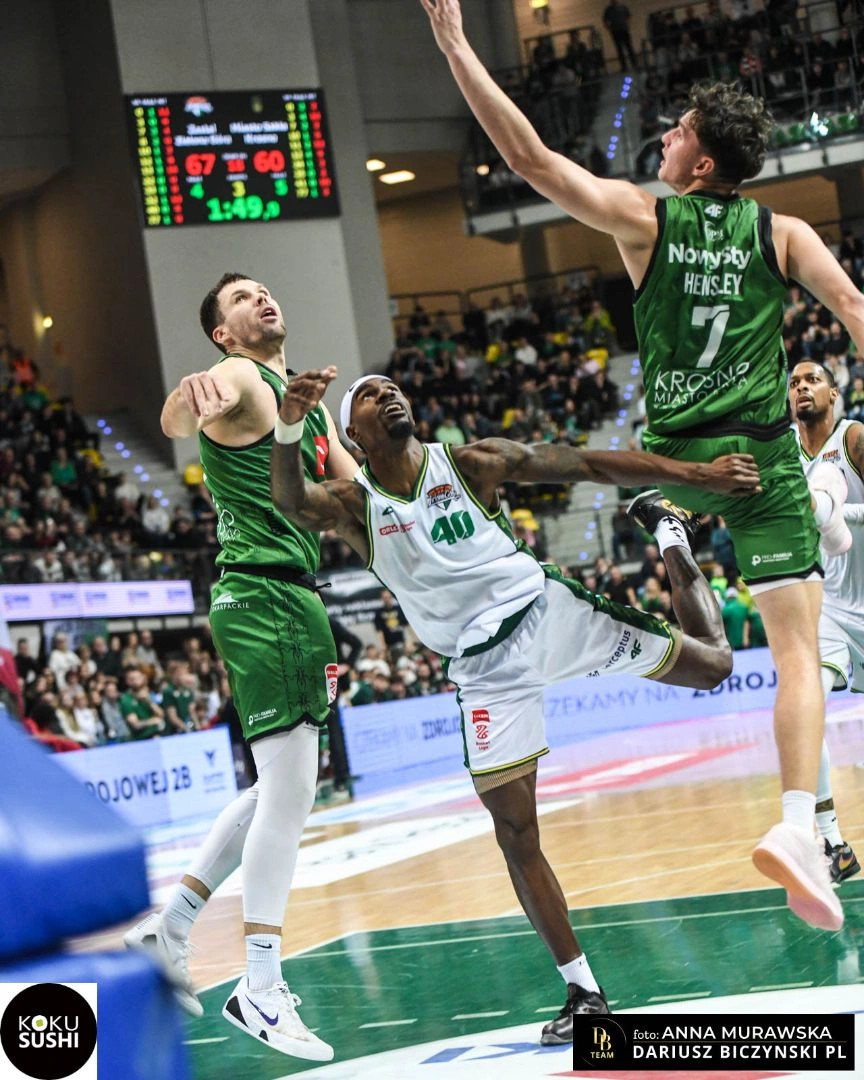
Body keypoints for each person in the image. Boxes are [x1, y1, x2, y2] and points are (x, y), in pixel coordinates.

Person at [419, 0, 860, 933]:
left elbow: (531, 158)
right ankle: (798, 824)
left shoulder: (646, 219)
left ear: (699, 165)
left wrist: (456, 45)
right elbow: (856, 311)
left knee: (657, 511)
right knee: (796, 654)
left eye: (679, 130)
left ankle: (670, 527)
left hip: (678, 453)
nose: (664, 136)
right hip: (760, 457)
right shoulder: (784, 234)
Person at [271, 369, 761, 1042]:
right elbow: (291, 502)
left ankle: (670, 533)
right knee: (514, 831)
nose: (389, 395)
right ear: (352, 433)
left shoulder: (473, 463)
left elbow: (587, 463)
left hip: (548, 614)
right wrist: (288, 424)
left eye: (393, 388)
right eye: (370, 394)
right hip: (483, 674)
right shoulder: (357, 505)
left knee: (716, 667)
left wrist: (699, 476)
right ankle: (584, 992)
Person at [124, 273, 357, 1063]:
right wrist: (181, 402)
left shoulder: (305, 408)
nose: (261, 299)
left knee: (276, 791)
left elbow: (359, 495)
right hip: (265, 597)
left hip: (287, 598)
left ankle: (169, 930)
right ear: (222, 333)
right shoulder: (237, 377)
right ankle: (259, 984)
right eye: (240, 299)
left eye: (263, 290)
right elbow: (186, 411)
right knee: (289, 797)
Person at [789, 361, 861, 883]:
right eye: (794, 383)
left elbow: (825, 515)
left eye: (812, 380)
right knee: (805, 706)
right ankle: (835, 843)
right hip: (830, 607)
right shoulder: (784, 455)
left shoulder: (854, 439)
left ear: (834, 393)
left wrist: (833, 511)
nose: (801, 388)